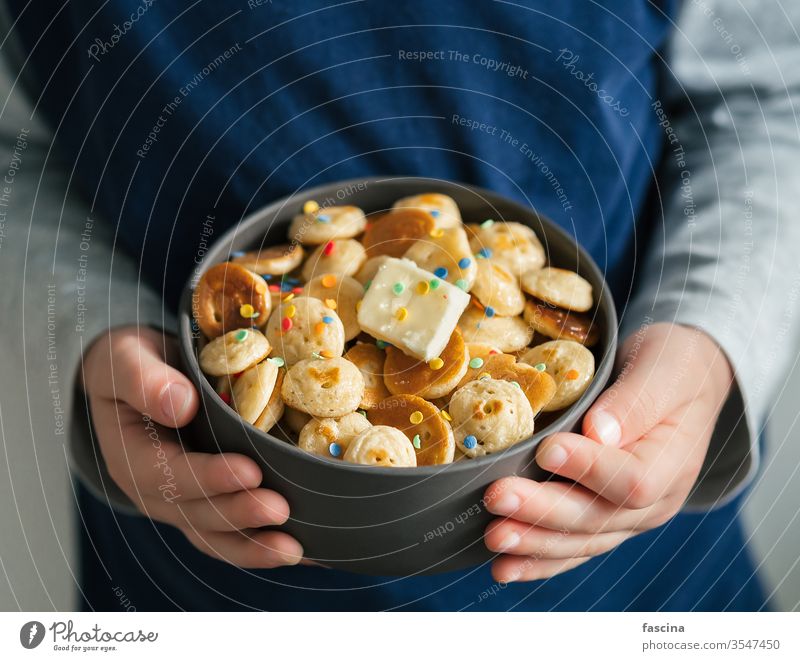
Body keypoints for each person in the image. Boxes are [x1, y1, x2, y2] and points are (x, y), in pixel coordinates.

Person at [1, 0, 798, 610]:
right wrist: (90, 326)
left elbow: (769, 95)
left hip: (625, 535)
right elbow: (18, 144)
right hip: (200, 548)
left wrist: (711, 332)